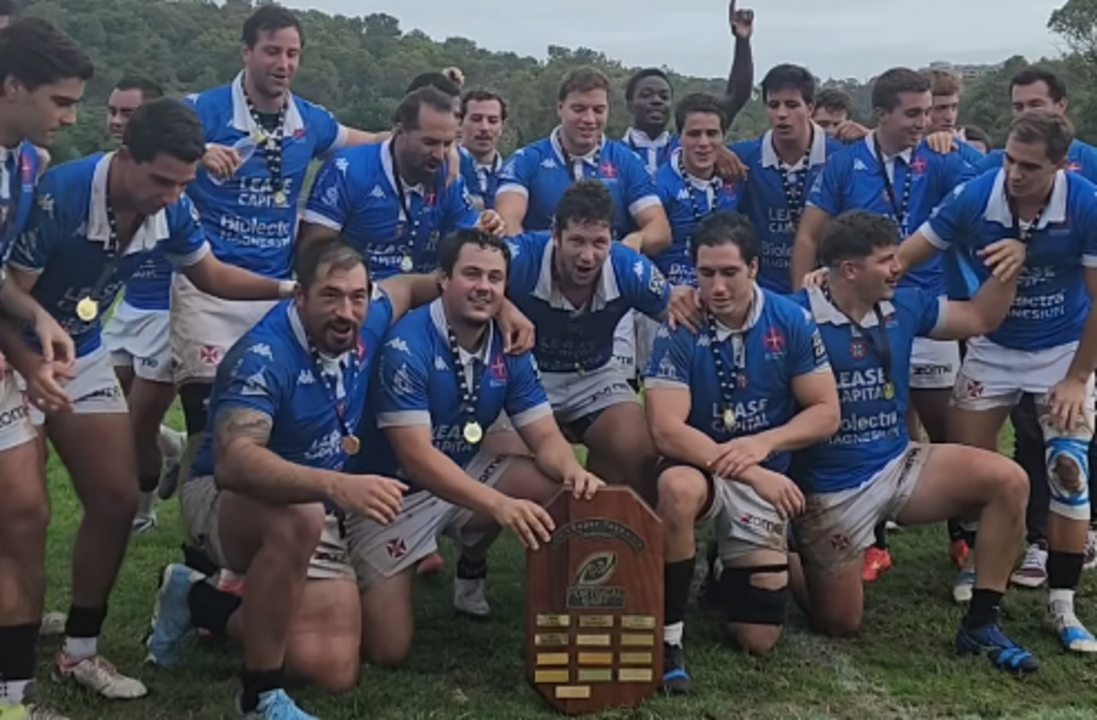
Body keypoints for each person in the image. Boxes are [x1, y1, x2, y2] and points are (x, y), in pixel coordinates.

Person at [1, 98, 297, 702]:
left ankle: (80, 650)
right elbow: (7, 300)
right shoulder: (63, 194)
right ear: (126, 156)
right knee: (24, 518)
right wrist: (29, 366)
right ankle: (12, 684)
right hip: (13, 355)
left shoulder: (173, 204)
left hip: (79, 351)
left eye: (183, 183)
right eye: (162, 180)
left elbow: (210, 275)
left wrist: (292, 288)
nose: (171, 196)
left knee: (116, 498)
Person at [147, 239, 452, 719]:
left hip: (313, 502)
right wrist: (334, 486)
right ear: (300, 295)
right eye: (330, 295)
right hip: (227, 499)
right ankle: (259, 694)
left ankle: (197, 600)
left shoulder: (367, 317)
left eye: (357, 296)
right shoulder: (264, 355)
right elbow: (236, 463)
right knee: (299, 517)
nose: (346, 311)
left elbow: (412, 287)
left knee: (332, 669)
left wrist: (504, 307)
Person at [344, 228, 603, 664]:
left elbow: (544, 436)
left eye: (495, 278)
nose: (484, 287)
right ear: (443, 279)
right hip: (394, 493)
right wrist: (499, 505)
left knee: (560, 492)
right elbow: (417, 458)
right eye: (472, 274)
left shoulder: (511, 343)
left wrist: (572, 470)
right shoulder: (406, 346)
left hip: (465, 467)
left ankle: (562, 615)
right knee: (387, 650)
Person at [793, 210, 1036, 672]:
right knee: (840, 622)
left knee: (1009, 480)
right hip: (830, 487)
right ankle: (783, 554)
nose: (898, 267)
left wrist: (1011, 265)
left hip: (898, 462)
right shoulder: (793, 315)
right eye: (886, 260)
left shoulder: (904, 305)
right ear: (849, 270)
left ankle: (981, 623)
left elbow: (980, 316)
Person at [897, 111, 1097, 654]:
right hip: (993, 344)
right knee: (969, 465)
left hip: (1062, 349)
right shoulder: (976, 194)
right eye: (1009, 159)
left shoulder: (1084, 202)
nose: (1014, 173)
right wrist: (841, 280)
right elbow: (908, 254)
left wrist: (1077, 377)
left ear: (1061, 165)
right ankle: (980, 565)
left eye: (1030, 166)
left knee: (1068, 470)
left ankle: (1063, 603)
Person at [173, 5, 386, 479]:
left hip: (276, 291)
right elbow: (145, 138)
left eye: (292, 54)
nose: (283, 64)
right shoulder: (201, 110)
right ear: (246, 52)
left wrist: (418, 137)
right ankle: (201, 515)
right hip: (208, 288)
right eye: (272, 51)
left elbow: (367, 139)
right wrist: (196, 150)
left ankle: (260, 511)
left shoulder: (308, 119)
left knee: (264, 423)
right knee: (208, 428)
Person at [792, 67, 977, 583]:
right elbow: (809, 235)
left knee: (943, 424)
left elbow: (985, 193)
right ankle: (873, 541)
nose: (924, 121)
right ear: (881, 115)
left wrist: (959, 144)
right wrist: (798, 302)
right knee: (864, 419)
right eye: (913, 112)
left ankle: (963, 534)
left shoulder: (941, 156)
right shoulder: (845, 163)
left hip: (924, 305)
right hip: (860, 311)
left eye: (929, 111)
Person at [644, 212, 840, 693]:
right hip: (702, 465)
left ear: (753, 267)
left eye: (729, 272)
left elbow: (826, 411)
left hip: (761, 466)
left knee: (758, 638)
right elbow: (666, 431)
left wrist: (762, 444)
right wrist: (750, 470)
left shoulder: (790, 319)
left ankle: (727, 565)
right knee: (676, 487)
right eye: (706, 273)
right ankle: (669, 639)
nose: (717, 286)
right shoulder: (679, 324)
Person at [0, 16, 92, 720]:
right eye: (59, 101)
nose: (70, 116)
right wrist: (27, 356)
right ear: (12, 87)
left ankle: (11, 696)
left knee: (26, 514)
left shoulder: (25, 161)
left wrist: (35, 318)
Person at [975, 67, 1097, 586]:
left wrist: (1079, 372)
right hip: (1007, 335)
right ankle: (1028, 540)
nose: (1026, 114)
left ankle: (1070, 537)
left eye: (1036, 105)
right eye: (1018, 106)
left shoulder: (1088, 172)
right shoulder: (994, 170)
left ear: (1061, 107)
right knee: (1022, 439)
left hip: (1073, 329)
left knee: (1071, 436)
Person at [495, 66, 670, 383]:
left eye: (598, 110)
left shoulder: (626, 161)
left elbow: (659, 229)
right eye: (579, 109)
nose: (589, 119)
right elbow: (508, 223)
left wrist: (630, 245)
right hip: (539, 288)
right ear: (560, 107)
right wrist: (531, 266)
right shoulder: (527, 159)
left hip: (605, 285)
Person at [506, 180, 671, 499]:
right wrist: (501, 307)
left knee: (639, 451)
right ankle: (488, 539)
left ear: (613, 238)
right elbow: (458, 288)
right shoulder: (518, 257)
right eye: (577, 241)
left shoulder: (630, 268)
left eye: (599, 242)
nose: (588, 256)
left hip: (594, 375)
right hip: (521, 375)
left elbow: (680, 320)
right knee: (509, 464)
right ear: (555, 235)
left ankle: (610, 520)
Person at [97, 75, 185, 534]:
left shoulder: (177, 178)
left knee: (136, 421)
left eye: (127, 113)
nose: (116, 121)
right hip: (128, 308)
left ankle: (143, 511)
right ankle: (173, 446)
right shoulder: (107, 174)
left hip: (167, 313)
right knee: (106, 410)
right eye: (112, 111)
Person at [299, 86, 502, 277]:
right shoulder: (348, 170)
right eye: (429, 142)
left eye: (448, 144)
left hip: (424, 293)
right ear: (399, 132)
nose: (440, 155)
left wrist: (485, 229)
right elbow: (312, 254)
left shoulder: (448, 176)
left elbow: (466, 244)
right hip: (356, 292)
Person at [641, 93, 741, 372]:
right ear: (679, 137)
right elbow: (638, 253)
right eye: (694, 134)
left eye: (712, 134)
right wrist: (665, 294)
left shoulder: (736, 175)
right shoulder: (657, 185)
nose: (703, 143)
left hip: (721, 299)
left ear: (723, 138)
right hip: (668, 304)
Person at [730, 64, 844, 294]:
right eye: (773, 105)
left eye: (792, 105)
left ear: (810, 108)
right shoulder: (742, 157)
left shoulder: (841, 157)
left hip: (826, 287)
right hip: (761, 290)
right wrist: (717, 153)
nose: (781, 114)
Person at [622, 0, 755, 175]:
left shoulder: (690, 147)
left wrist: (742, 40)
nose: (656, 101)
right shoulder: (613, 153)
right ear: (630, 104)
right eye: (646, 95)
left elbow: (736, 95)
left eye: (664, 96)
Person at [458, 89, 507, 211]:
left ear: (502, 127)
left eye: (493, 121)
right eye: (476, 119)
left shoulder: (514, 174)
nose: (485, 127)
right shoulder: (444, 170)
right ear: (459, 123)